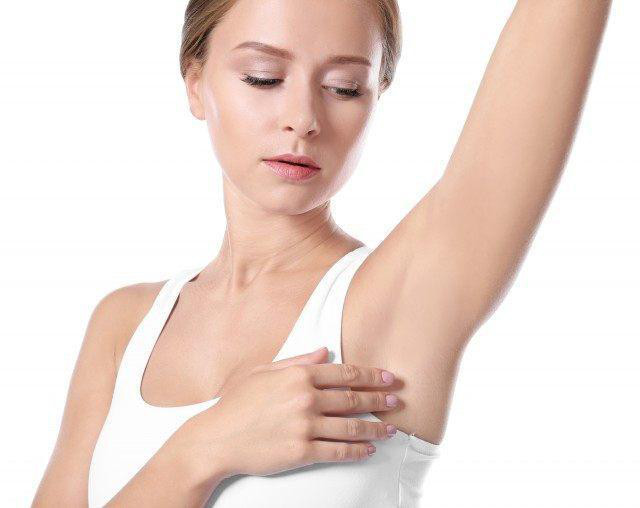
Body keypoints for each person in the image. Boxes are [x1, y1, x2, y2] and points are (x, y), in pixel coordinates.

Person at [32, 0, 612, 506]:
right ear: (195, 83)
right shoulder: (124, 326)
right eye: (263, 78)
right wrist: (198, 451)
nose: (304, 120)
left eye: (344, 88)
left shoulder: (396, 304)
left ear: (377, 97)